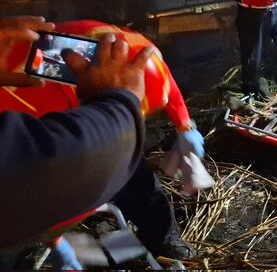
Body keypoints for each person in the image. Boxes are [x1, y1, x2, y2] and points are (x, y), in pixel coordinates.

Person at [0, 20, 203, 259]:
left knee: (141, 184)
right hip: (45, 160)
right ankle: (109, 246)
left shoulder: (119, 45)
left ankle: (163, 241)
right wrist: (54, 238)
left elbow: (161, 76)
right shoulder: (28, 101)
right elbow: (28, 177)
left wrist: (184, 125)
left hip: (94, 129)